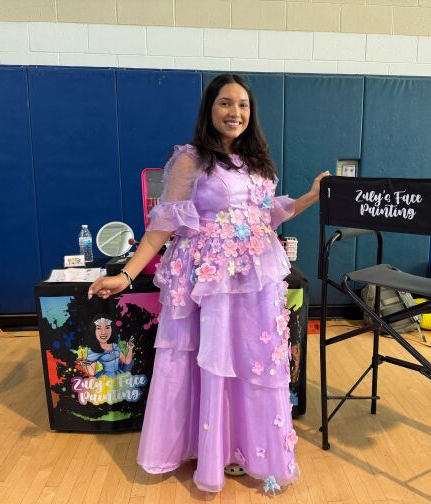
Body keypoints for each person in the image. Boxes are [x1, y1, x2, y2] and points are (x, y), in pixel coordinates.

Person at [88, 73, 328, 493]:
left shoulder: (257, 162)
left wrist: (309, 196)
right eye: (225, 103)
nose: (235, 112)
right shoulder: (191, 159)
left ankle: (246, 449)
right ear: (210, 109)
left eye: (243, 105)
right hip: (209, 279)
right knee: (211, 361)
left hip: (255, 278)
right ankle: (212, 452)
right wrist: (126, 275)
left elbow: (265, 214)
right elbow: (161, 225)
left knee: (254, 361)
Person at [77, 314, 134, 378]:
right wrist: (86, 363)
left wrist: (130, 349)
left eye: (107, 327)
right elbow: (91, 372)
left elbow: (127, 361)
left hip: (120, 375)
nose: (103, 332)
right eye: (99, 328)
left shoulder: (115, 346)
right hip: (105, 378)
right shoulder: (94, 350)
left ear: (111, 329)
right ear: (94, 331)